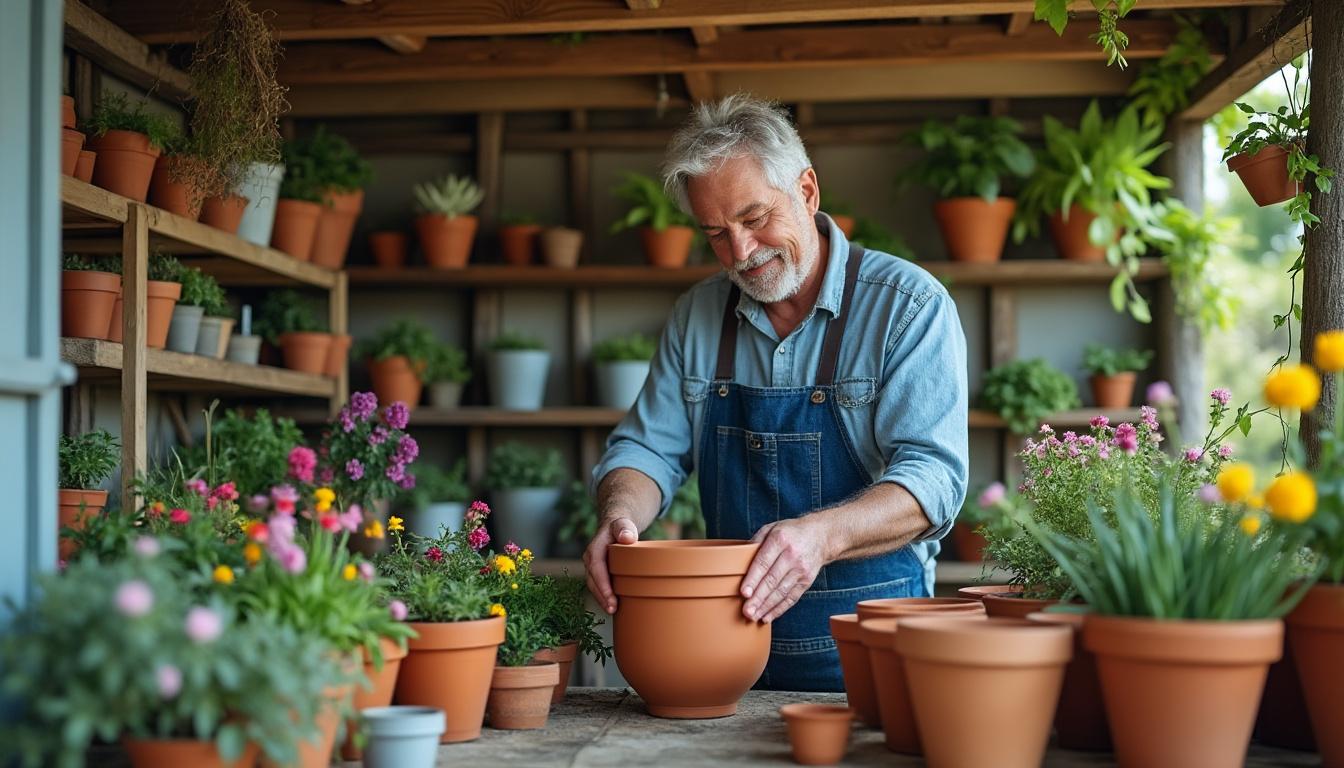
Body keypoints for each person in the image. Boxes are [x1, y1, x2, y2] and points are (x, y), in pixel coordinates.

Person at [584, 94, 969, 692]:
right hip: (728, 658)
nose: (740, 252)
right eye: (715, 233)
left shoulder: (907, 306)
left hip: (871, 651)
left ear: (807, 191)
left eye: (755, 217)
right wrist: (620, 516)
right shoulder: (698, 316)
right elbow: (645, 451)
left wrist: (820, 537)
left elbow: (935, 481)